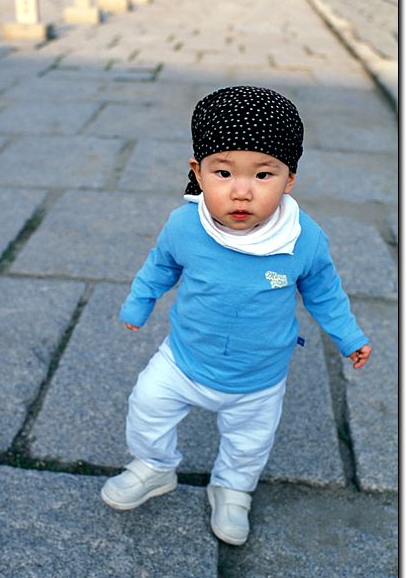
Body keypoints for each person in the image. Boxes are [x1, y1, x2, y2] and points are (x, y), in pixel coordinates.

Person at [100, 86, 372, 546]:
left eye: (263, 174)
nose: (241, 191)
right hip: (183, 359)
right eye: (223, 172)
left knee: (249, 443)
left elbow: (325, 291)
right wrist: (139, 302)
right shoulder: (185, 225)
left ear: (289, 179)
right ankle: (154, 465)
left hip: (258, 376)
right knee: (147, 407)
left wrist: (349, 336)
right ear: (198, 172)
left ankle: (232, 488)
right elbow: (160, 265)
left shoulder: (302, 239)